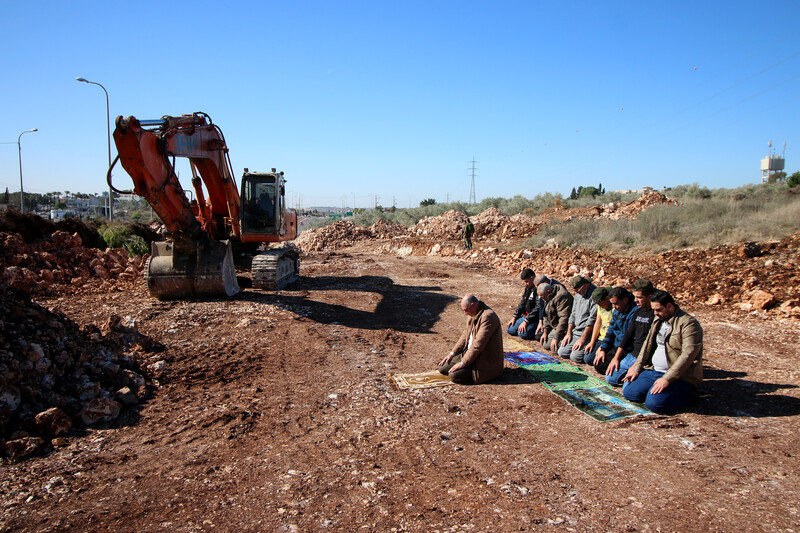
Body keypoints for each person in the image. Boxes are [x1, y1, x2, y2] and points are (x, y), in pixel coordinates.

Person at [622, 290, 703, 413]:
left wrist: (667, 379)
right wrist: (637, 367)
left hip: (678, 376)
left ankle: (688, 394)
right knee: (630, 392)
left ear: (669, 306)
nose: (655, 313)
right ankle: (659, 392)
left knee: (655, 404)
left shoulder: (688, 324)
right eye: (654, 310)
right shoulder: (658, 319)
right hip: (654, 371)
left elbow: (688, 355)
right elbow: (647, 345)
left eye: (658, 310)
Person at [438, 294, 504, 384]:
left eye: (465, 310)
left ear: (473, 305)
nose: (465, 313)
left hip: (482, 359)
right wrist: (452, 354)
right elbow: (465, 336)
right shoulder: (472, 313)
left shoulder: (488, 317)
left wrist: (463, 363)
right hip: (469, 352)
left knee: (454, 375)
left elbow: (478, 345)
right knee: (443, 368)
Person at [604, 279, 657, 386]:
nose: (636, 300)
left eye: (640, 297)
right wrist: (616, 358)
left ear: (650, 296)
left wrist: (636, 366)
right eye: (635, 297)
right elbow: (627, 336)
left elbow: (650, 344)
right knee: (610, 378)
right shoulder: (638, 311)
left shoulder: (656, 314)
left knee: (629, 389)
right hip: (633, 354)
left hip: (645, 357)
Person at [593, 287, 638, 376]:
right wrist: (603, 348)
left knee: (611, 375)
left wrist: (616, 357)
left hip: (627, 349)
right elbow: (611, 330)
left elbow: (627, 338)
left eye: (615, 304)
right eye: (612, 304)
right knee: (599, 364)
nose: (613, 307)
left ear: (625, 300)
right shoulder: (617, 311)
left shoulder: (634, 312)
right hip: (616, 345)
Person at [557, 275, 598, 362]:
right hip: (576, 331)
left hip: (586, 334)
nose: (576, 293)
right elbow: (573, 314)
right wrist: (568, 333)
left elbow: (592, 320)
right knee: (562, 352)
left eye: (578, 290)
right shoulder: (578, 295)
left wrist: (582, 339)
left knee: (575, 357)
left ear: (585, 286)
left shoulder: (594, 296)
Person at [538, 282, 574, 353]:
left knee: (555, 349)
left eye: (543, 297)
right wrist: (545, 331)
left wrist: (556, 337)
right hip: (555, 326)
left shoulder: (562, 296)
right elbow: (546, 314)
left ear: (549, 291)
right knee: (545, 344)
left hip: (565, 327)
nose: (543, 299)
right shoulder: (548, 297)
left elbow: (564, 318)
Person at [583, 287, 614, 365]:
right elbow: (598, 323)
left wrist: (603, 348)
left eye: (600, 303)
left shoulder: (614, 308)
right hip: (601, 338)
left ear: (607, 298)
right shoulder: (600, 307)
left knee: (599, 363)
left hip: (610, 339)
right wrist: (592, 341)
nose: (599, 305)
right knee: (588, 358)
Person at [506, 268, 539, 340]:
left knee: (523, 334)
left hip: (534, 318)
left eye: (526, 281)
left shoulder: (539, 289)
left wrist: (526, 321)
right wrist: (515, 316)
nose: (525, 284)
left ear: (532, 278)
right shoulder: (528, 288)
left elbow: (538, 308)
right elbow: (522, 302)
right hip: (525, 316)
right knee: (510, 329)